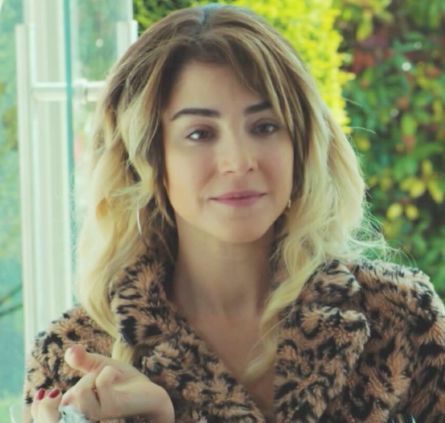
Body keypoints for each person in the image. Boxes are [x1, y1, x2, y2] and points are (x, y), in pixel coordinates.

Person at [22, 3, 445, 423]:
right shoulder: (74, 357)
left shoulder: (399, 313)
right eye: (199, 133)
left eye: (265, 127)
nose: (239, 161)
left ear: (301, 146)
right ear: (147, 158)